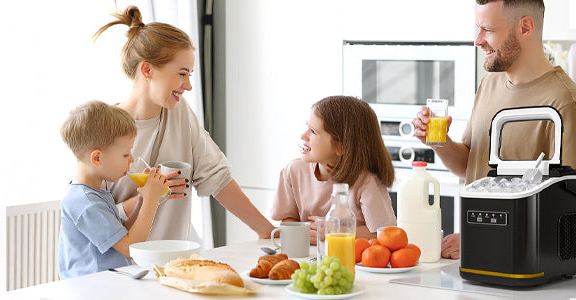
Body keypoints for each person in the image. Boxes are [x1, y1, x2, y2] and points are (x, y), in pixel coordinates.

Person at [412, 0, 576, 259]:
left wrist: (484, 238)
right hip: (474, 258)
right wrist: (439, 142)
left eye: (488, 29)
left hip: (526, 270)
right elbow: (469, 166)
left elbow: (569, 211)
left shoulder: (564, 101)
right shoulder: (489, 85)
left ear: (526, 27)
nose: (478, 40)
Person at [93, 6, 276, 241]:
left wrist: (268, 231)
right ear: (147, 69)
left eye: (190, 74)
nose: (188, 85)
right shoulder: (101, 128)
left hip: (176, 261)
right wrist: (149, 195)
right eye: (181, 74)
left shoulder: (178, 113)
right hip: (123, 268)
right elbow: (92, 218)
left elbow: (218, 179)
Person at [57, 100, 169, 279]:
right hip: (91, 291)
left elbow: (122, 235)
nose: (131, 160)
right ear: (97, 158)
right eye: (126, 154)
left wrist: (142, 198)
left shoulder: (95, 193)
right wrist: (152, 199)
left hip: (107, 285)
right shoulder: (86, 202)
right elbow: (131, 248)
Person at [270, 96, 398, 243]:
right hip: (308, 258)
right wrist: (301, 232)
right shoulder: (294, 171)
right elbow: (288, 219)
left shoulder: (366, 181)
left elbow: (383, 233)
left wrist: (335, 231)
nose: (303, 136)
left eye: (313, 131)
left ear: (341, 146)